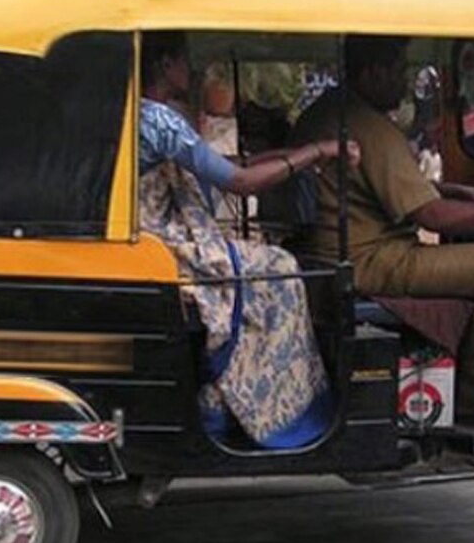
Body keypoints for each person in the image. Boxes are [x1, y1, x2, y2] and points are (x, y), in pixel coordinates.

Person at [291, 35, 474, 430]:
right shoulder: (369, 127)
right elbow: (434, 218)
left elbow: (381, 191)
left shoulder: (326, 112)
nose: (405, 84)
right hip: (372, 260)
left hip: (332, 251)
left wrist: (460, 192)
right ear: (372, 73)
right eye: (400, 72)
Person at [138, 31, 358, 449]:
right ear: (165, 65)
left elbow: (222, 166)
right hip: (172, 248)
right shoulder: (158, 121)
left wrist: (293, 156)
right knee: (280, 268)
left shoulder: (137, 115)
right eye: (185, 60)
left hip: (153, 243)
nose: (193, 71)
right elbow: (239, 183)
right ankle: (275, 410)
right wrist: (312, 153)